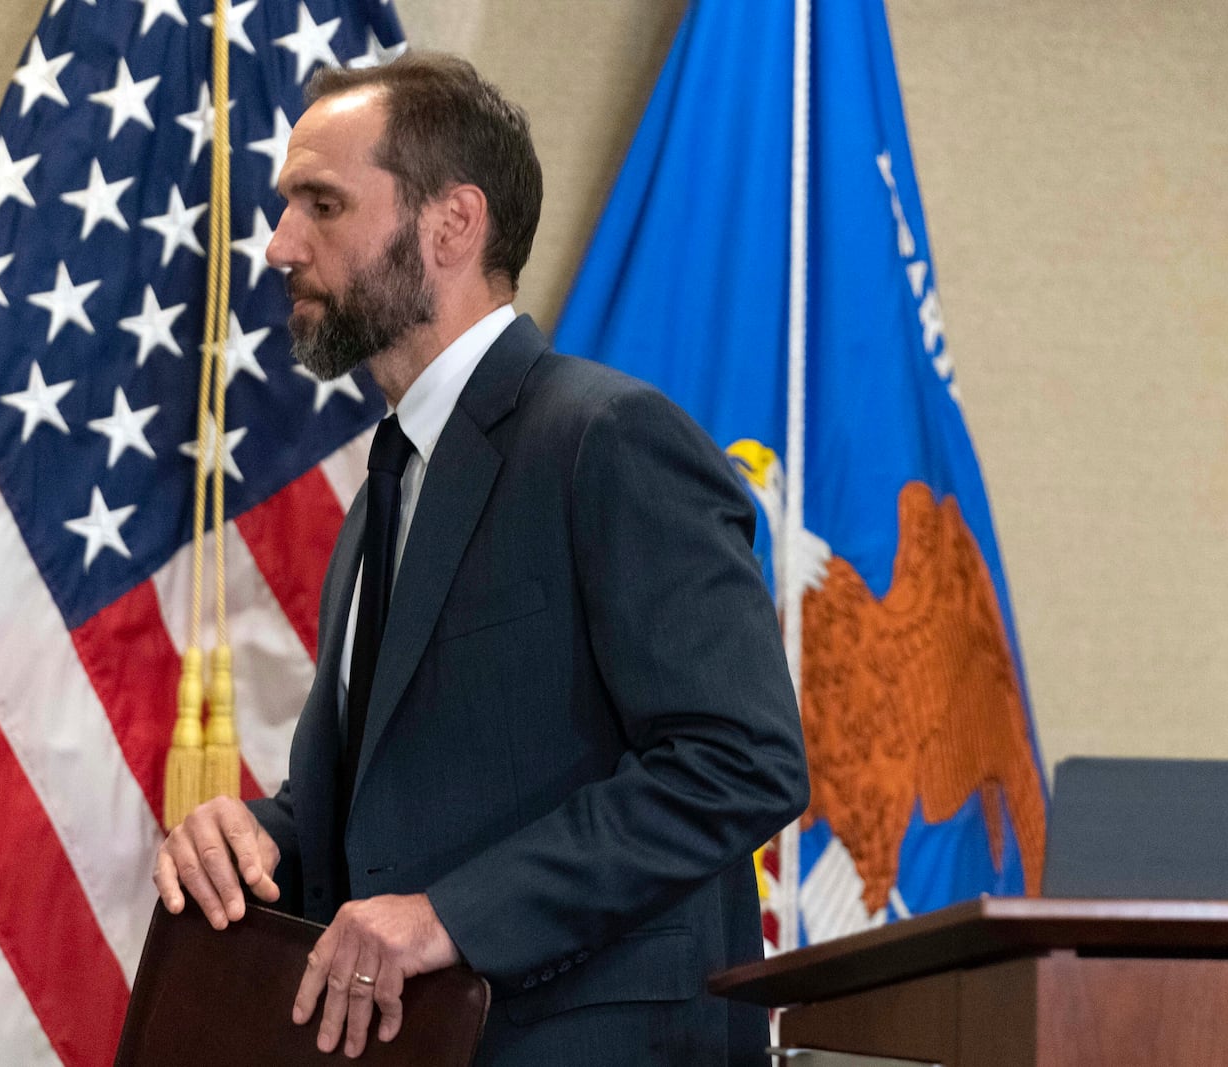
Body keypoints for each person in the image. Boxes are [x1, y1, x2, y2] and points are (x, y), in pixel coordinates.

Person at [153, 53, 808, 1066]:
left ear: (452, 224)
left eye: (320, 204)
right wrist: (256, 835)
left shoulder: (607, 437)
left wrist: (452, 914)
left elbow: (739, 758)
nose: (279, 245)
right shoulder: (389, 478)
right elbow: (396, 806)